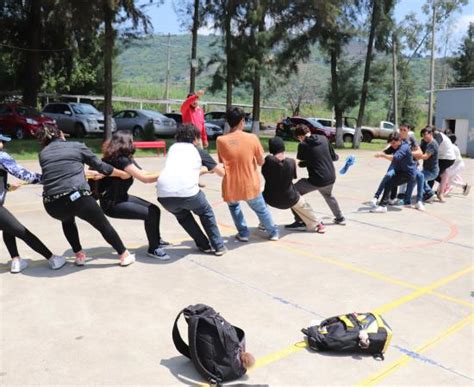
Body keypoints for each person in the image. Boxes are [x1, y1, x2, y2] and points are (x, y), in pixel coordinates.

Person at [37, 124, 136, 267]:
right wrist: (123, 174)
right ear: (61, 135)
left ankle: (79, 256)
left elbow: (60, 174)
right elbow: (101, 166)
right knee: (102, 225)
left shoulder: (43, 154)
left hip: (52, 205)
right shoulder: (77, 146)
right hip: (77, 197)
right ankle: (124, 255)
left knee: (67, 220)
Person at [99, 131, 170, 261]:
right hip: (112, 204)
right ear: (126, 142)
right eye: (132, 140)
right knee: (151, 214)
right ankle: (154, 249)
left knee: (154, 209)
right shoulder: (120, 159)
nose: (134, 143)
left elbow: (144, 172)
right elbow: (145, 179)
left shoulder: (125, 157)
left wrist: (163, 172)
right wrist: (169, 173)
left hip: (121, 198)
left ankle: (156, 240)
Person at [157, 124, 226, 256]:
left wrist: (203, 171)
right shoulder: (197, 151)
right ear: (195, 138)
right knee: (206, 212)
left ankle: (204, 245)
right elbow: (220, 172)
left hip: (164, 195)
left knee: (183, 217)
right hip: (189, 194)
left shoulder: (173, 148)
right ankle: (219, 246)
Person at [0, 134, 65, 273]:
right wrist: (49, 178)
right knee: (22, 232)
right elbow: (25, 175)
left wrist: (7, 186)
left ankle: (16, 260)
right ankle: (52, 258)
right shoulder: (1, 156)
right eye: (1, 142)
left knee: (8, 226)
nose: (3, 145)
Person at [217, 106, 279, 242]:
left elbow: (222, 161)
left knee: (234, 207)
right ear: (242, 121)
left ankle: (243, 233)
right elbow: (261, 162)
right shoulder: (252, 138)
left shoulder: (220, 140)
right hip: (250, 183)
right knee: (261, 209)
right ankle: (273, 232)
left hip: (231, 184)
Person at [286, 124, 345, 229]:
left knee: (292, 193)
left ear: (300, 136)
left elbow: (301, 163)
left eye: (298, 138)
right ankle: (340, 218)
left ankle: (300, 221)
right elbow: (333, 157)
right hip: (331, 177)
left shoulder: (303, 145)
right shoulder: (323, 138)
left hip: (317, 179)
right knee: (328, 195)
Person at [262, 136, 325, 233]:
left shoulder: (268, 161)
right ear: (283, 148)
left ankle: (263, 223)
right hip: (290, 199)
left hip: (270, 198)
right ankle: (318, 224)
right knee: (304, 205)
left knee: (259, 199)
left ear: (271, 149)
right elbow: (292, 173)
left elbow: (269, 163)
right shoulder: (291, 162)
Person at [370, 122, 422, 207]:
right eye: (400, 130)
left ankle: (414, 200)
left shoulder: (406, 145)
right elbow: (388, 149)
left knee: (420, 177)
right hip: (400, 168)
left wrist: (409, 154)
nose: (402, 132)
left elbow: (395, 157)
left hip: (408, 172)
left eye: (404, 130)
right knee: (388, 179)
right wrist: (381, 153)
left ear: (408, 130)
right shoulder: (397, 141)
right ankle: (383, 201)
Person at [432, 128, 456, 202]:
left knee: (433, 173)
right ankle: (442, 189)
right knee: (442, 174)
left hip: (446, 158)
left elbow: (435, 146)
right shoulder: (440, 136)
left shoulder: (438, 135)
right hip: (445, 158)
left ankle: (440, 192)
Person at [416, 127, 440, 203]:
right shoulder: (425, 142)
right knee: (417, 177)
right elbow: (419, 150)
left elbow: (425, 156)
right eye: (422, 135)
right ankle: (424, 194)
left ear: (431, 134)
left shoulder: (432, 144)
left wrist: (413, 155)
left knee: (418, 177)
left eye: (425, 134)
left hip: (432, 171)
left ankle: (430, 193)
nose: (424, 136)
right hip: (427, 169)